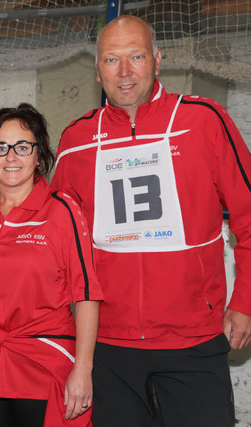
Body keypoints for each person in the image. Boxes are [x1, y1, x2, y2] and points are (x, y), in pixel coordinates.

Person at [51, 15, 251, 427]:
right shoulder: (77, 139)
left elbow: (249, 217)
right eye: (111, 59)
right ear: (97, 69)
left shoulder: (205, 121)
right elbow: (60, 244)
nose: (124, 72)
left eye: (137, 56)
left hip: (193, 339)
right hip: (108, 348)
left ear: (158, 60)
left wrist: (245, 302)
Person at [0, 103, 102, 427]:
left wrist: (83, 369)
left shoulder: (63, 212)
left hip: (44, 368)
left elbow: (86, 295)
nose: (11, 157)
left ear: (38, 155)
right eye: (0, 148)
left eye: (22, 147)